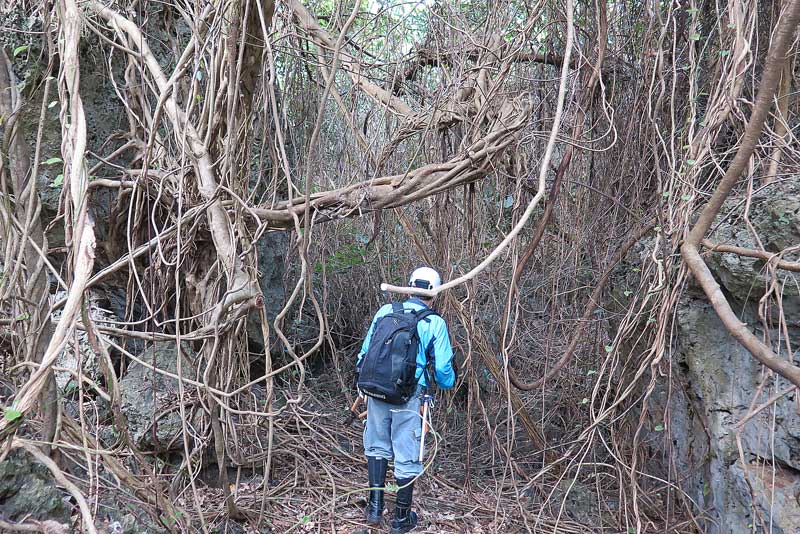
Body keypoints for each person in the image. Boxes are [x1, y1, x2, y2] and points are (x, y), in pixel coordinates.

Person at [355, 267, 457, 533]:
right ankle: (400, 520)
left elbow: (365, 353)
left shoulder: (385, 312)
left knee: (376, 446)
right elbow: (445, 371)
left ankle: (375, 509)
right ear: (433, 294)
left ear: (409, 287)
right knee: (407, 455)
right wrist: (447, 383)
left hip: (376, 391)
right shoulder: (434, 323)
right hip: (410, 397)